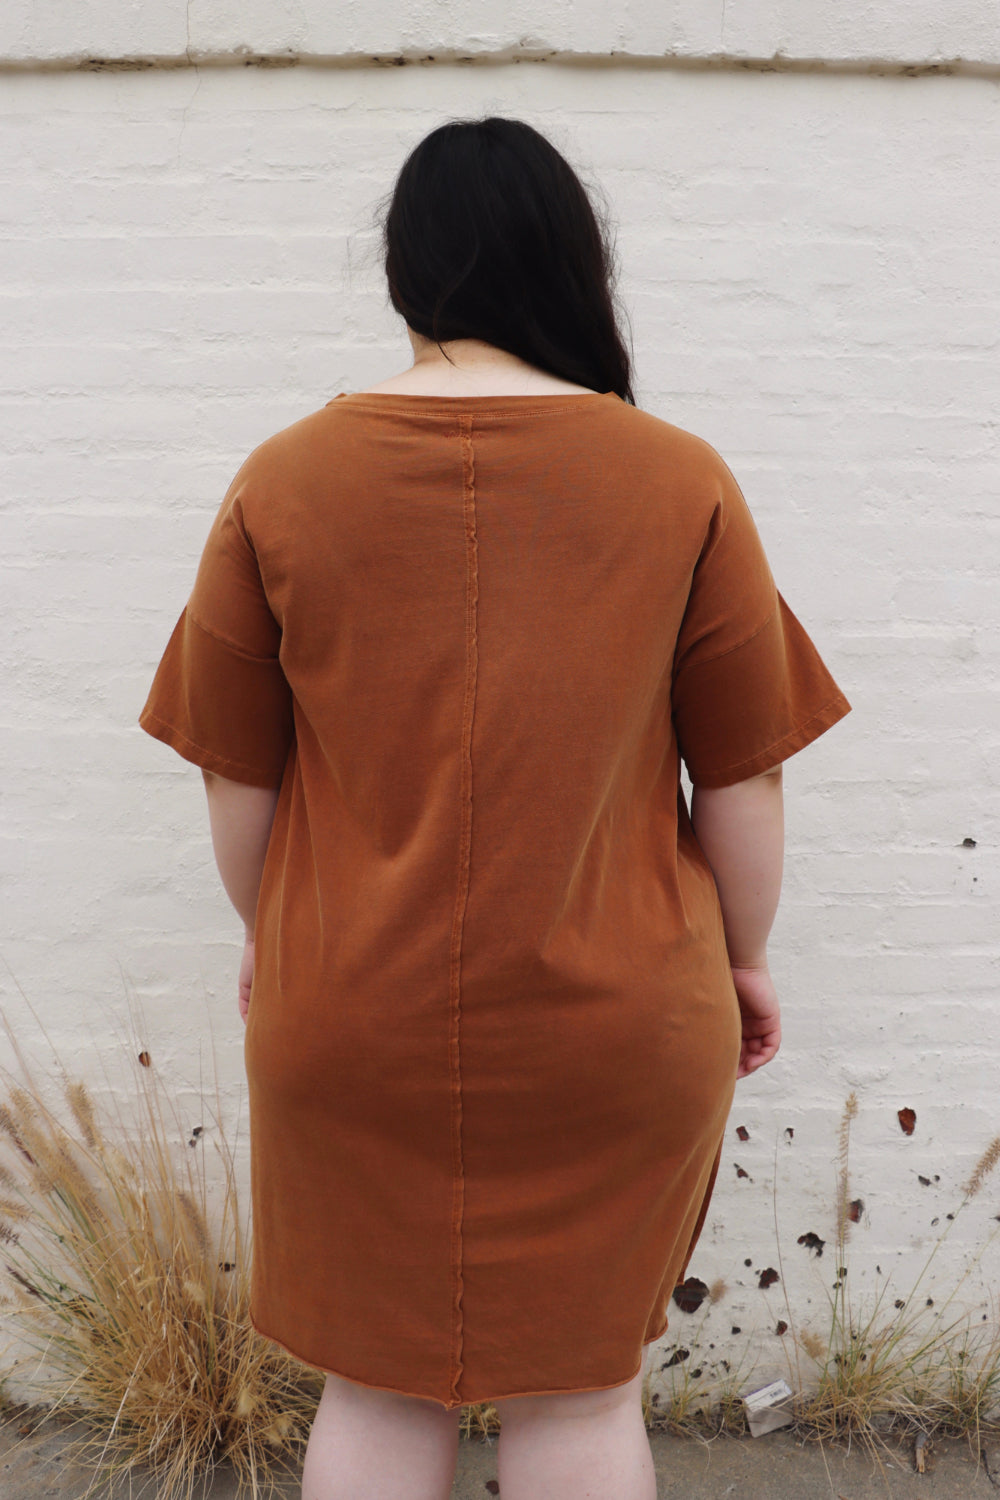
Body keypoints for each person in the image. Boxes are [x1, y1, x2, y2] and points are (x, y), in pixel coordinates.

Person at [139, 117, 850, 1500]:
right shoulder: (679, 479)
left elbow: (241, 780)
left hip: (349, 1012)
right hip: (619, 1017)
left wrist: (277, 929)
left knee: (376, 1384)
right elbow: (745, 777)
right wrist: (746, 953)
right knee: (581, 1391)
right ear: (568, 268)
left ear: (407, 277)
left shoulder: (281, 481)